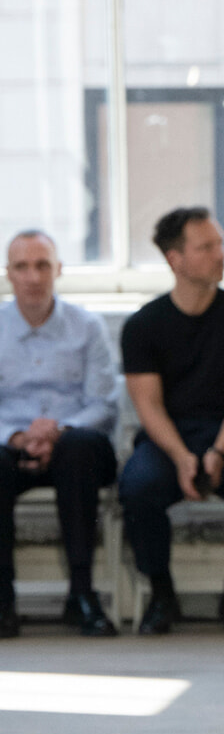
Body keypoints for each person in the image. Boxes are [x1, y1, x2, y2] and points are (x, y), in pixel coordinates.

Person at [119, 207, 224, 636]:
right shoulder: (142, 326)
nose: (220, 254)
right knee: (137, 487)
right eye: (206, 246)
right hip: (167, 439)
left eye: (221, 243)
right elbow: (148, 406)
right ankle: (161, 593)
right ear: (175, 259)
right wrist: (181, 457)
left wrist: (218, 452)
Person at [0, 230, 119, 638]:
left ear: (59, 270)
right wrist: (17, 437)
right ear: (8, 274)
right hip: (10, 448)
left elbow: (103, 404)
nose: (33, 276)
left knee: (79, 449)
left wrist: (59, 432)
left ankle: (82, 595)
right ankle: (2, 602)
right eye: (22, 267)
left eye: (42, 265)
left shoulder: (87, 327)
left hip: (77, 447)